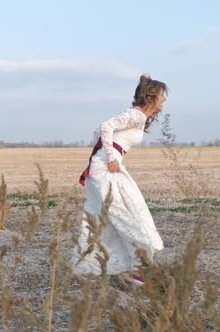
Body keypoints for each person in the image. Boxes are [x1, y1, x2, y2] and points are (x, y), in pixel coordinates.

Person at [71, 75, 167, 283]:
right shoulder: (136, 115)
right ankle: (137, 268)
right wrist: (110, 157)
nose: (164, 100)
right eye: (161, 96)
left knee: (113, 215)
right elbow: (105, 127)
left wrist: (106, 156)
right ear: (150, 97)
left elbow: (98, 133)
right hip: (107, 168)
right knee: (127, 214)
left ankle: (99, 264)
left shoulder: (137, 116)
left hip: (106, 166)